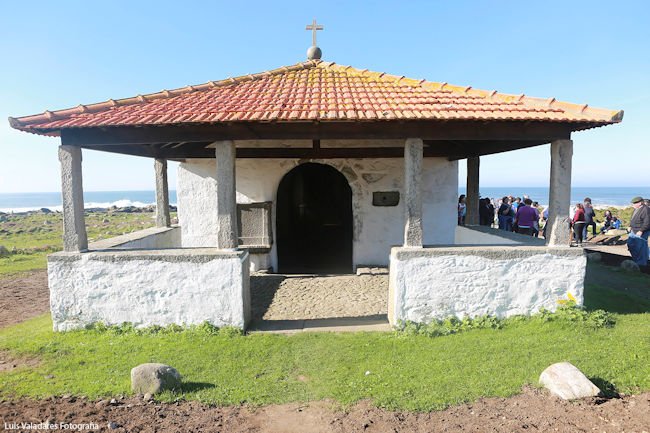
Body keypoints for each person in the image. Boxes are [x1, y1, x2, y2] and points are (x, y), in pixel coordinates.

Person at [627, 196, 650, 267]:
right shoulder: (636, 209)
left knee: (640, 248)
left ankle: (641, 264)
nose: (633, 205)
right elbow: (633, 219)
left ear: (640, 203)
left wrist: (641, 230)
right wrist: (630, 226)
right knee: (630, 244)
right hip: (633, 230)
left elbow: (647, 222)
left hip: (641, 231)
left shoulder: (646, 210)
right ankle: (636, 260)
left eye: (634, 203)